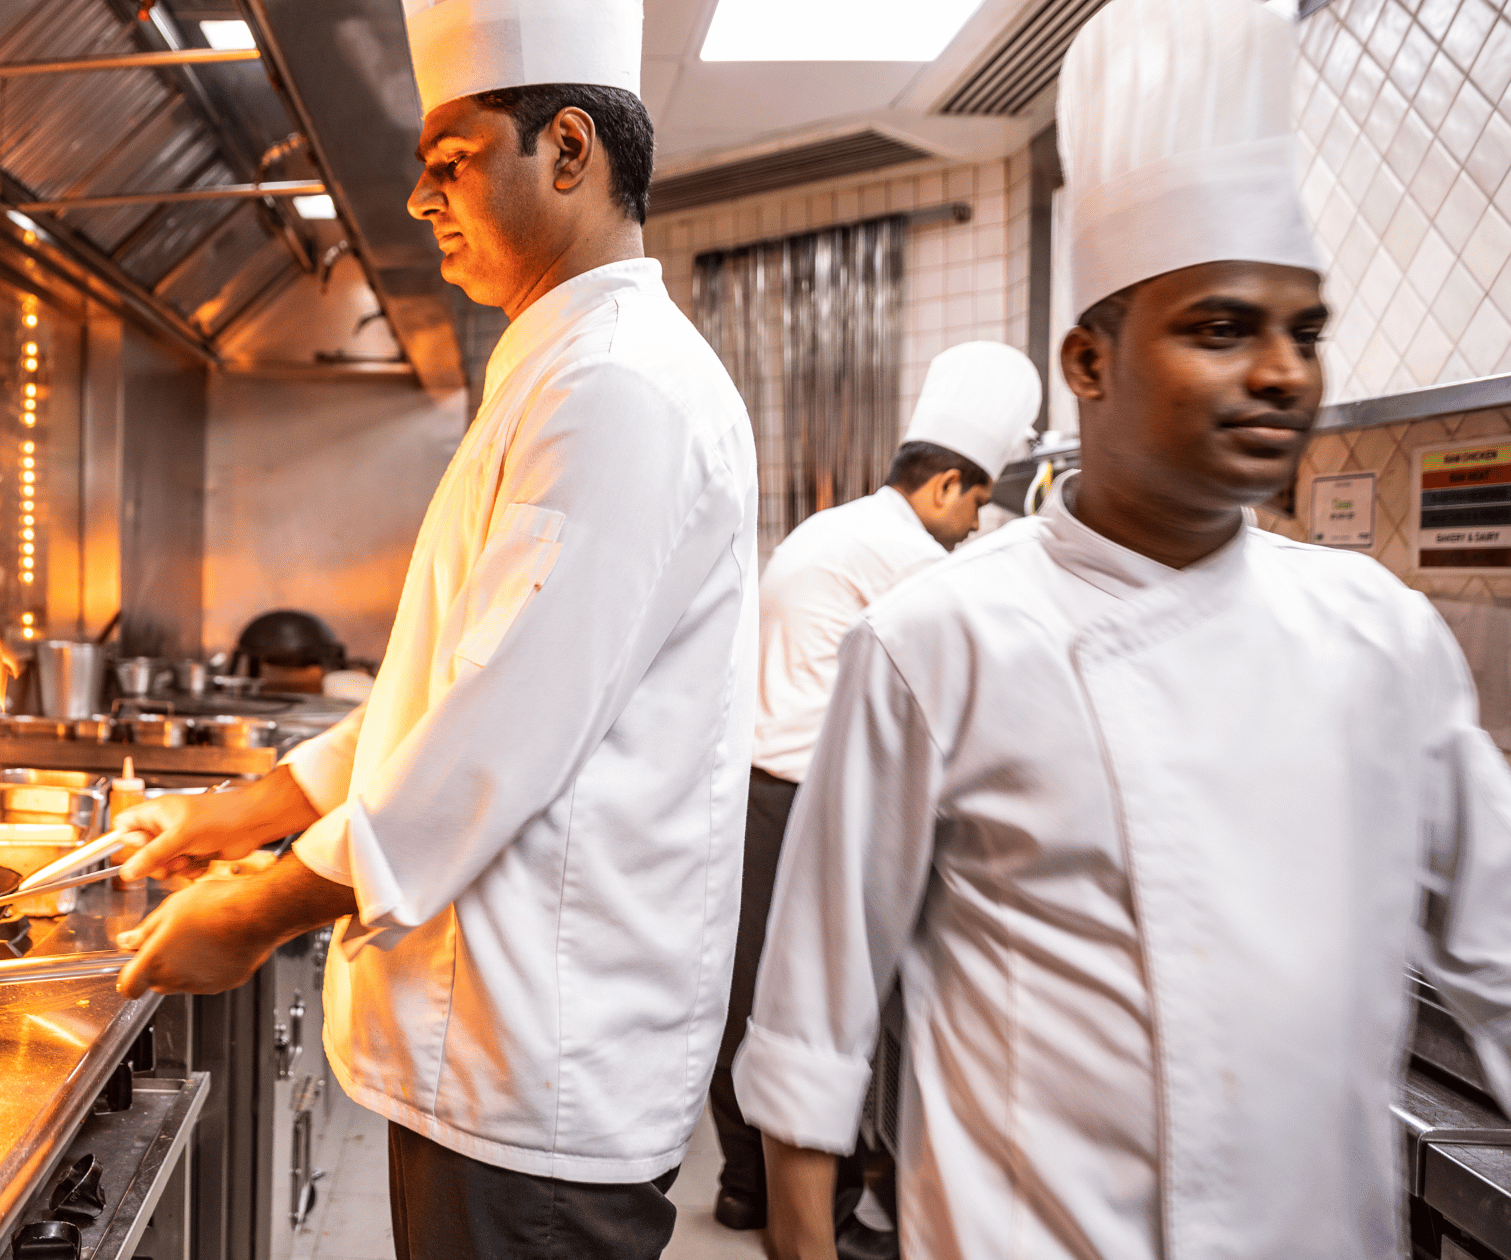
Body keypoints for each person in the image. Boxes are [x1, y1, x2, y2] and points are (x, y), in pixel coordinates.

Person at [734, 1, 1511, 1257]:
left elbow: (1498, 956)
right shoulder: (940, 640)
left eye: (1300, 332)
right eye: (1218, 328)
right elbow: (813, 1031)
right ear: (1087, 362)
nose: (1278, 372)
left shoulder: (1381, 639)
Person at [110, 1, 760, 1257]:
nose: (420, 200)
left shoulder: (617, 389)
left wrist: (253, 915)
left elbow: (488, 739)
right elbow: (443, 695)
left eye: (449, 162)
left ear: (565, 152)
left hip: (536, 1077)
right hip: (500, 1059)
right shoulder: (561, 365)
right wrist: (234, 815)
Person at [710, 341, 1040, 1234]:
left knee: (754, 999)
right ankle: (842, 1207)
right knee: (831, 1011)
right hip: (804, 802)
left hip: (758, 792)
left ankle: (747, 1184)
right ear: (945, 486)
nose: (975, 524)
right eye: (976, 502)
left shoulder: (840, 527)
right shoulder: (912, 559)